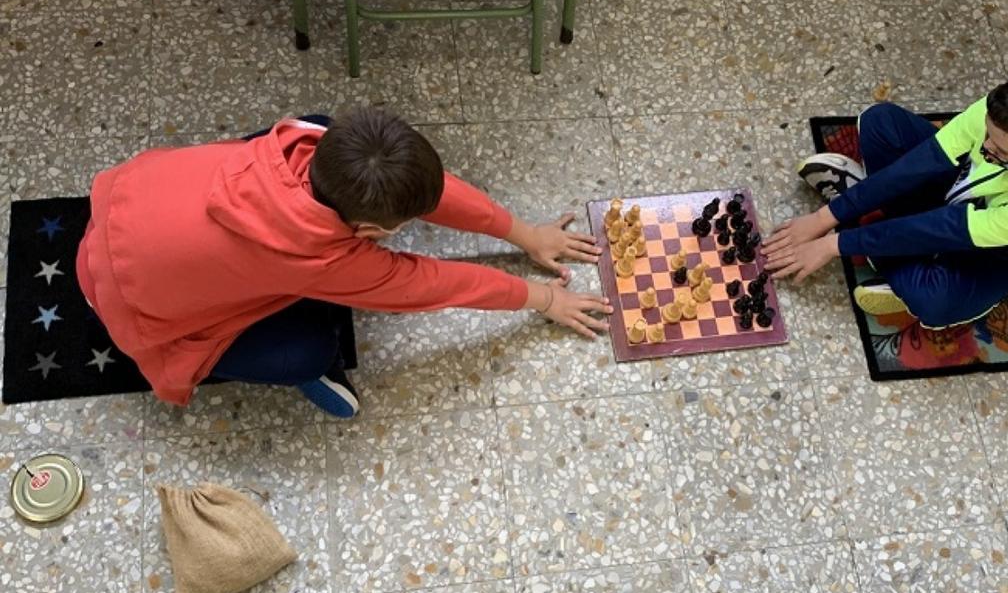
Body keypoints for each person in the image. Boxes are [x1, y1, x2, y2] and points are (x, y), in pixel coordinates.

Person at [78, 107, 612, 418]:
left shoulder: (312, 140)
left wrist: (523, 233)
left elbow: (427, 190)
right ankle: (303, 370)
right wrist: (543, 298)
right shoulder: (322, 258)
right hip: (132, 305)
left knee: (317, 118)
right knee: (311, 348)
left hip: (126, 209)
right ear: (373, 233)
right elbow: (429, 283)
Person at [764, 60, 1008, 328]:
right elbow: (925, 160)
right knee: (880, 123)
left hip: (995, 250)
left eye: (1000, 152)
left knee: (934, 303)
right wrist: (823, 218)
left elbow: (943, 227)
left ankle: (892, 252)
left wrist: (832, 244)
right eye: (987, 133)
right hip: (960, 198)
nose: (985, 147)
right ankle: (883, 244)